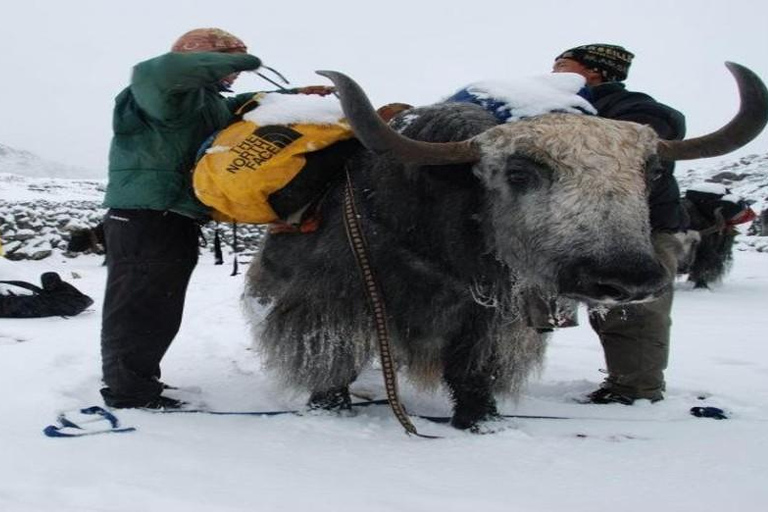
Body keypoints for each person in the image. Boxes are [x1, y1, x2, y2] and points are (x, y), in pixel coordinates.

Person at [99, 28, 262, 409]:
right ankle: (127, 392)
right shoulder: (159, 90)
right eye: (228, 62)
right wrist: (243, 57)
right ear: (200, 58)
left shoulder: (205, 102)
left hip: (175, 217)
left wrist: (294, 97)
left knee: (159, 308)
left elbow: (238, 104)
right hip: (145, 215)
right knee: (137, 307)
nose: (236, 73)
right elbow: (153, 71)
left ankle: (139, 381)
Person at [552, 44, 687, 405]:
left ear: (594, 73)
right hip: (576, 228)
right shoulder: (558, 110)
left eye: (563, 65)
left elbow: (660, 126)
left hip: (641, 229)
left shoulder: (634, 108)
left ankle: (635, 390)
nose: (553, 73)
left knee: (632, 308)